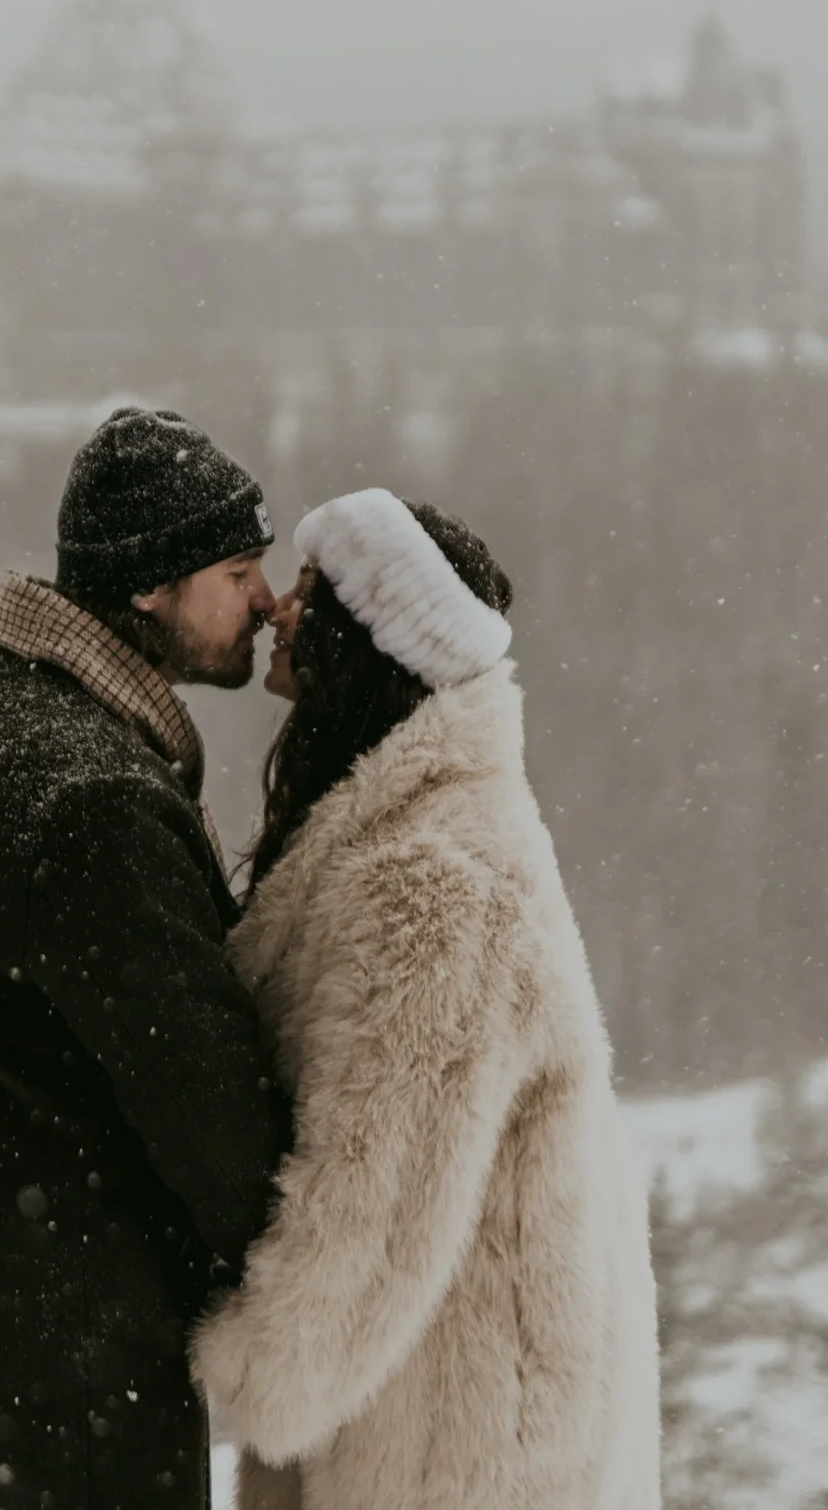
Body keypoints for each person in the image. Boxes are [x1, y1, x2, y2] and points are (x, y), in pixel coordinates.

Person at [0, 407, 292, 1510]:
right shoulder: (97, 801)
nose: (268, 601)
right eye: (238, 573)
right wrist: (318, 1290)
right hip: (62, 1387)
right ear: (150, 587)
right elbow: (211, 1115)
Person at [193, 489, 661, 1510]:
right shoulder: (421, 825)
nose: (279, 610)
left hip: (455, 1438)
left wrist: (258, 1361)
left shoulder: (430, 881)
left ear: (369, 638)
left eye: (310, 592)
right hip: (470, 1396)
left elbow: (377, 1189)